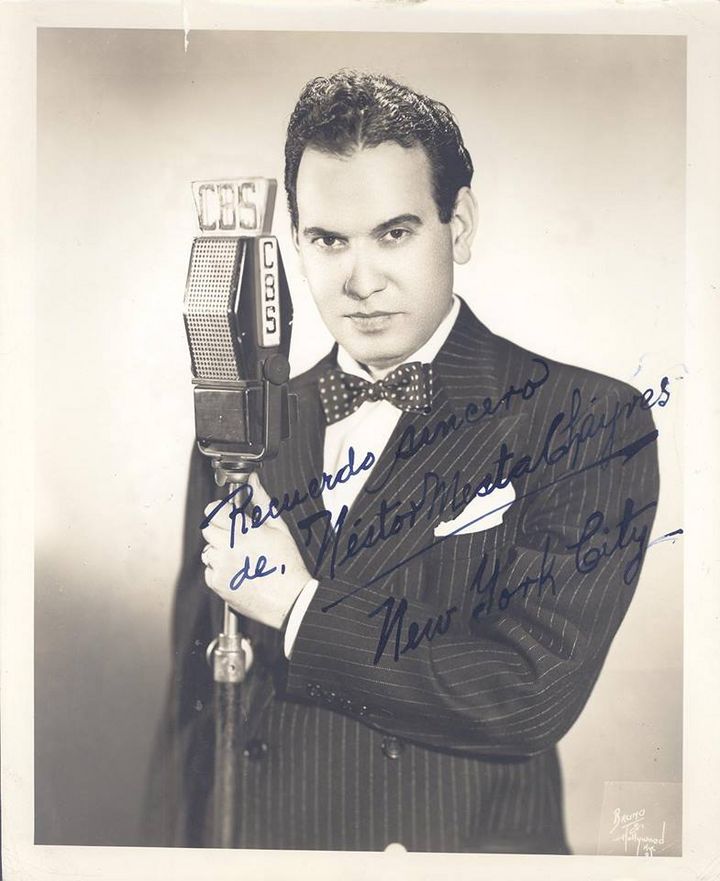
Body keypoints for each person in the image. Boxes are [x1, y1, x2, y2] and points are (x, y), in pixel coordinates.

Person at [146, 70, 662, 853]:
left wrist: (298, 607)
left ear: (459, 226)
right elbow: (194, 714)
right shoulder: (247, 422)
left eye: (394, 233)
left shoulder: (587, 418)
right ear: (296, 243)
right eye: (329, 240)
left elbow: (528, 692)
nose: (361, 281)